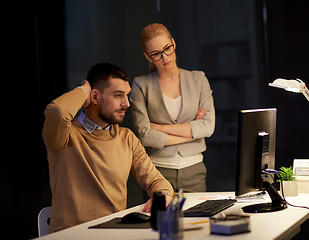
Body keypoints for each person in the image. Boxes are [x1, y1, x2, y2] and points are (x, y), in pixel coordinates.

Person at [42, 63, 173, 233]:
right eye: (118, 95)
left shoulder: (126, 138)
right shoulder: (64, 135)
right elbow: (57, 112)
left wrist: (162, 195)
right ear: (95, 97)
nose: (126, 103)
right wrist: (84, 90)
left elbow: (157, 180)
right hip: (70, 235)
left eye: (127, 95)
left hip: (113, 232)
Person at [130, 23, 215, 192]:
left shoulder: (198, 79)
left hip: (194, 169)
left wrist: (159, 127)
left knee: (196, 218)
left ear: (173, 43)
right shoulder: (141, 84)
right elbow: (145, 136)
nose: (164, 57)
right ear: (148, 56)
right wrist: (192, 134)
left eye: (167, 48)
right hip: (156, 172)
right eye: (156, 54)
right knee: (158, 219)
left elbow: (208, 127)